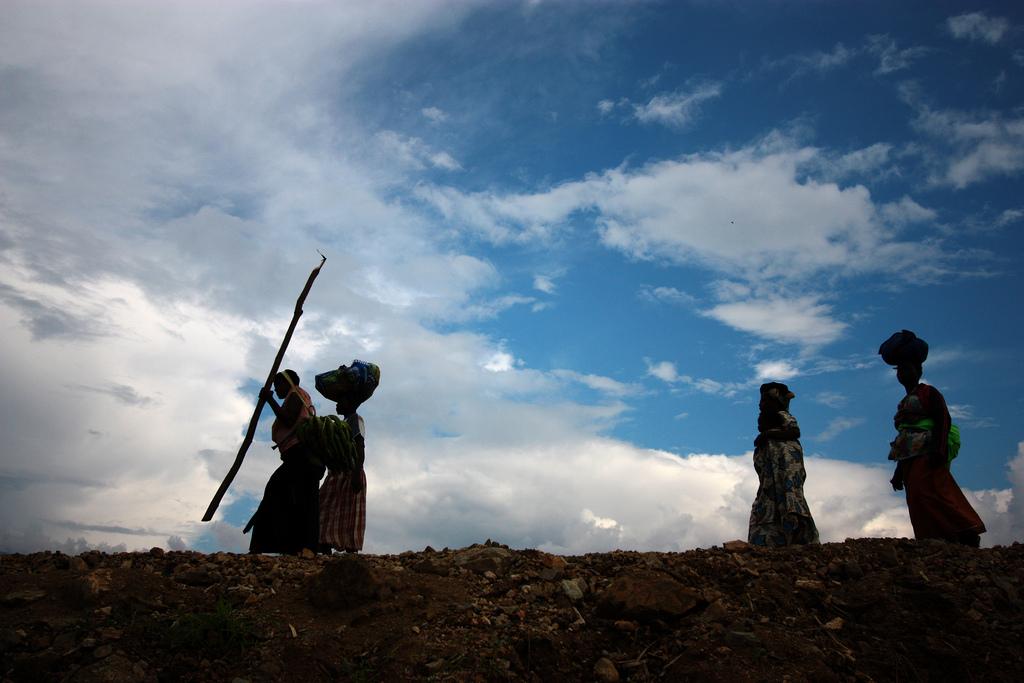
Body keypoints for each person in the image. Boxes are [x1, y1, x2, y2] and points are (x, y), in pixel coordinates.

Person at [888, 360, 986, 546]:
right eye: (900, 370)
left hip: (929, 450)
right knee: (916, 497)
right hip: (911, 455)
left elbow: (943, 419)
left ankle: (966, 533)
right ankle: (934, 539)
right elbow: (905, 438)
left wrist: (939, 449)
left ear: (918, 370)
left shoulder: (929, 393)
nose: (902, 373)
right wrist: (898, 473)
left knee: (933, 492)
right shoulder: (904, 402)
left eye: (907, 368)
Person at [244, 370, 325, 554]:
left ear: (288, 383)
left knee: (279, 493)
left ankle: (293, 546)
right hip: (302, 457)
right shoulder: (298, 396)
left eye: (278, 384)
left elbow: (288, 420)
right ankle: (300, 547)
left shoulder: (296, 393)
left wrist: (269, 399)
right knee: (299, 499)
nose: (276, 389)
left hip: (300, 456)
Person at [748, 382, 820, 547]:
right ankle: (772, 539)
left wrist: (769, 434)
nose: (761, 405)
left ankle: (796, 536)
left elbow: (794, 431)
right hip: (773, 461)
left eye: (765, 400)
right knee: (771, 494)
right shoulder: (768, 424)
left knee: (788, 494)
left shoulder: (781, 418)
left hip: (785, 459)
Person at [318, 361, 379, 553]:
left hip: (350, 471)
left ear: (351, 402)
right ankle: (325, 544)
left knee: (349, 511)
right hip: (337, 473)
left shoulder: (355, 420)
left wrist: (357, 471)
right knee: (327, 507)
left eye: (341, 400)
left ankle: (350, 548)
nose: (337, 404)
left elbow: (360, 445)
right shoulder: (341, 423)